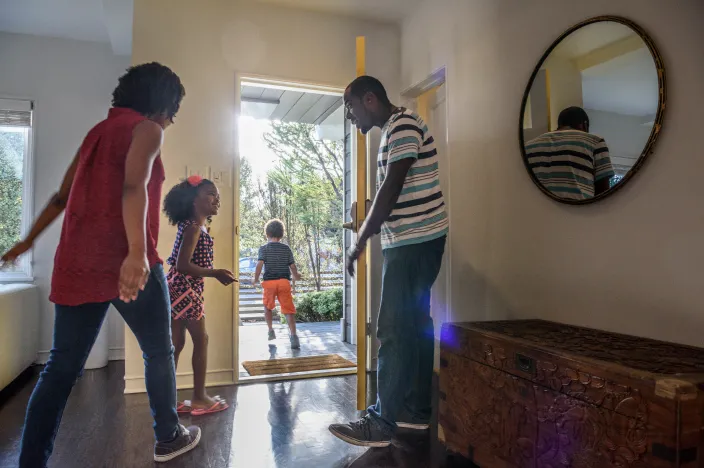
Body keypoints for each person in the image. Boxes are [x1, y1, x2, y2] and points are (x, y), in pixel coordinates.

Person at [0, 62, 200, 466]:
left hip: (78, 264)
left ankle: (31, 461)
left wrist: (27, 240)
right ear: (162, 104)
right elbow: (133, 186)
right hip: (130, 263)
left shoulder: (96, 133)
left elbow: (61, 196)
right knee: (158, 351)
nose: (171, 119)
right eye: (172, 109)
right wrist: (135, 253)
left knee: (60, 367)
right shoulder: (148, 130)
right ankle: (168, 437)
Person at [329, 76, 448, 447]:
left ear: (369, 100)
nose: (350, 117)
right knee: (415, 325)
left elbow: (391, 187)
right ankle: (414, 411)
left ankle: (382, 423)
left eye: (350, 108)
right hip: (415, 241)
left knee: (394, 328)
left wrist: (360, 240)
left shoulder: (403, 125)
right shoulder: (397, 128)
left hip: (414, 242)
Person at [163, 175, 236, 416]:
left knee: (176, 343)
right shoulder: (194, 228)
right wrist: (215, 272)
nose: (217, 199)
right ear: (195, 201)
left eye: (217, 195)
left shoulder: (192, 226)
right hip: (186, 289)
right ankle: (199, 398)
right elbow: (183, 265)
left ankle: (168, 401)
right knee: (200, 339)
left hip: (175, 287)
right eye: (211, 194)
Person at [525, 106, 615, 200]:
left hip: (534, 211)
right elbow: (603, 195)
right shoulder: (595, 141)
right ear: (584, 125)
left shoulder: (528, 146)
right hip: (575, 212)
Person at [253, 219, 302, 350]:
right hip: (284, 282)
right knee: (288, 310)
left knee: (267, 307)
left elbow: (259, 264)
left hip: (269, 283)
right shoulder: (286, 249)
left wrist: (256, 278)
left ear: (267, 233)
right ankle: (293, 336)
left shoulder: (264, 249)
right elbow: (292, 266)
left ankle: (270, 330)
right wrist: (296, 276)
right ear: (281, 234)